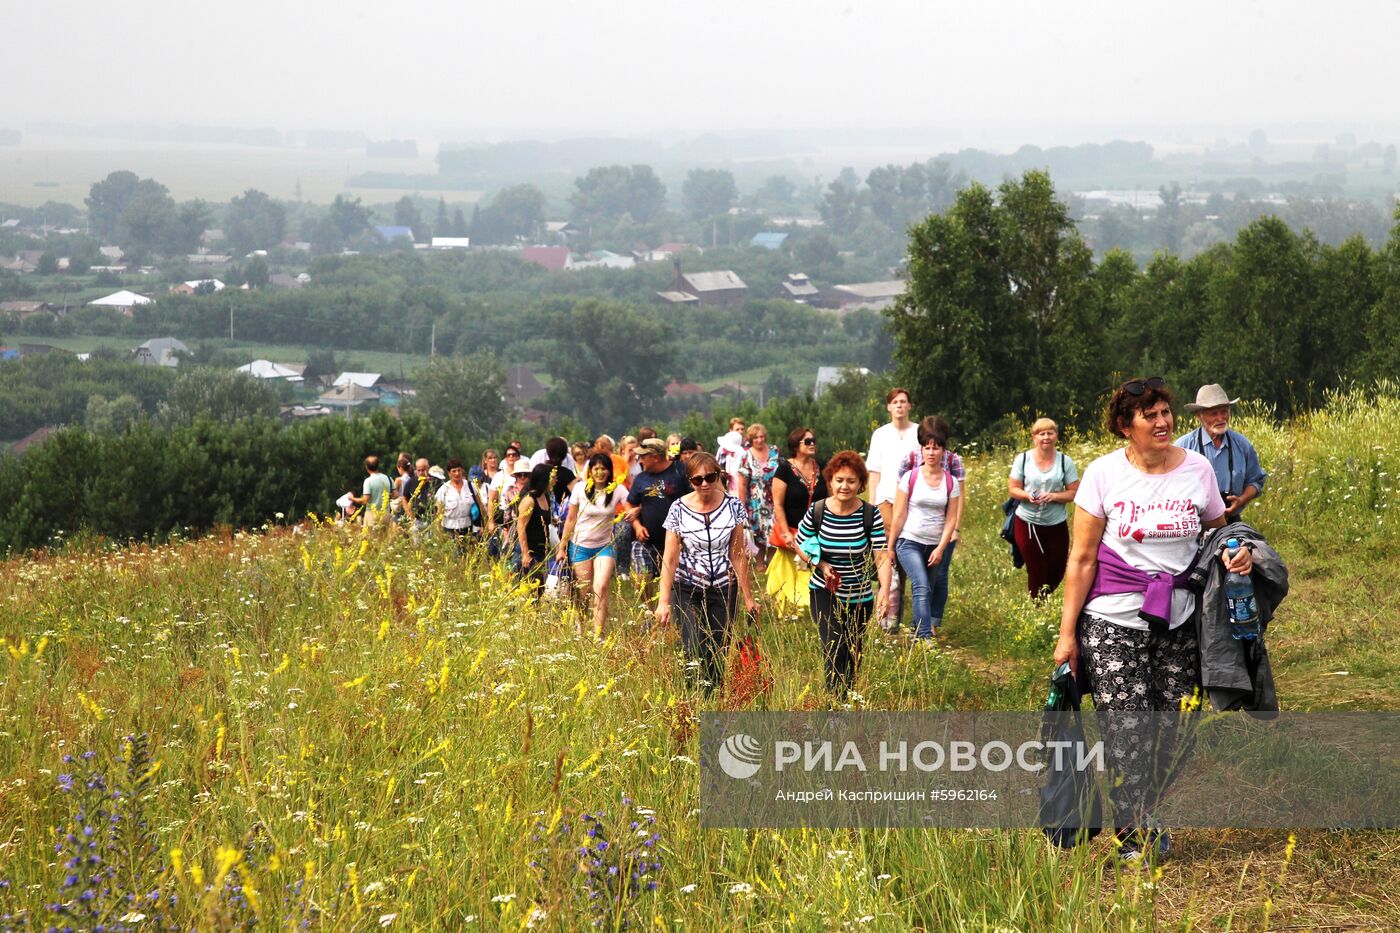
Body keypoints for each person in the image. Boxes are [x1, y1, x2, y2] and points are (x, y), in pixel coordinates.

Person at [1053, 376, 1254, 861]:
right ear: (1127, 426)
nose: (1163, 422)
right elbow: (1081, 560)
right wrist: (1066, 635)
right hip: (1112, 617)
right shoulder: (1103, 475)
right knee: (1127, 727)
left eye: (1165, 412)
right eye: (1151, 415)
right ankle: (1133, 831)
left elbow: (1217, 535)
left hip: (1182, 618)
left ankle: (1147, 807)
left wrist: (1236, 553)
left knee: (1174, 730)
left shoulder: (1199, 470)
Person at [654, 452, 759, 693]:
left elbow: (738, 553)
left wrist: (748, 598)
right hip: (687, 585)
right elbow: (670, 558)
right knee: (692, 645)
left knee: (718, 647)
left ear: (718, 476)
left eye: (710, 477)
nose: (704, 484)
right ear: (690, 480)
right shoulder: (678, 509)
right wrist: (664, 601)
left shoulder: (733, 506)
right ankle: (691, 698)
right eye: (697, 479)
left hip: (724, 586)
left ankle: (712, 698)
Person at [796, 450, 891, 697]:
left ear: (860, 484)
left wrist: (884, 591)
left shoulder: (870, 514)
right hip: (824, 590)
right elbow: (801, 542)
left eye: (851, 481)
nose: (844, 486)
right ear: (831, 481)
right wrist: (820, 564)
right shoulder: (818, 510)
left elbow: (881, 556)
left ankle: (847, 697)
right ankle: (834, 702)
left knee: (853, 651)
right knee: (834, 642)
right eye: (839, 480)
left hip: (859, 595)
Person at [887, 421, 963, 640]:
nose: (931, 452)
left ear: (943, 450)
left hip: (935, 544)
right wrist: (890, 547)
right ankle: (924, 636)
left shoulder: (951, 482)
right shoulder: (910, 478)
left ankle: (915, 631)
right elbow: (899, 514)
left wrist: (941, 548)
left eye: (936, 447)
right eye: (927, 447)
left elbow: (951, 519)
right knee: (921, 585)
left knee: (928, 589)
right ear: (921, 449)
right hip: (909, 541)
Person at [556, 454, 628, 637]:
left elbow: (632, 505)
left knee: (601, 587)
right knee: (584, 591)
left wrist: (636, 515)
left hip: (604, 545)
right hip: (580, 546)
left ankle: (598, 634)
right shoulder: (580, 488)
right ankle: (581, 624)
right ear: (590, 471)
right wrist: (562, 546)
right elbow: (570, 519)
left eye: (603, 468)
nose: (600, 472)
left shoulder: (618, 490)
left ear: (610, 471)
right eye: (595, 468)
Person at [865, 387, 920, 631]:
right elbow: (874, 471)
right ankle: (886, 616)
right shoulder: (880, 434)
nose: (899, 406)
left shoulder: (918, 432)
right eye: (894, 402)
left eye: (903, 402)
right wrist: (873, 504)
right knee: (888, 557)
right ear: (888, 407)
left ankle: (902, 613)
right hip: (886, 500)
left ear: (909, 406)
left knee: (908, 555)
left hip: (913, 501)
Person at [1007, 418, 1081, 598]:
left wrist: (1054, 496)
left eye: (1050, 433)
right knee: (1037, 567)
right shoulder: (1023, 459)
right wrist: (1027, 496)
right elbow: (1013, 489)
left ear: (1056, 436)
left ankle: (1044, 599)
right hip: (1027, 522)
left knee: (1057, 569)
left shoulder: (1065, 461)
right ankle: (1038, 608)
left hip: (1056, 523)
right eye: (1041, 433)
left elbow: (1075, 493)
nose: (1046, 437)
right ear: (1034, 437)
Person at [1174, 384, 1267, 523]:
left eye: (1224, 411)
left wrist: (1241, 500)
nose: (1220, 418)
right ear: (1199, 415)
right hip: (1193, 524)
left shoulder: (1242, 445)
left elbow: (1256, 480)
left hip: (1231, 520)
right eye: (1213, 413)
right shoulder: (1183, 448)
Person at [627, 438, 692, 604]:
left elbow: (694, 497)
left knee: (674, 582)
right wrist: (637, 525)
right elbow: (630, 502)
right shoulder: (641, 478)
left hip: (678, 539)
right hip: (647, 539)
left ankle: (670, 615)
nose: (639, 460)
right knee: (641, 577)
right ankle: (649, 614)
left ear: (655, 457)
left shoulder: (680, 471)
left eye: (643, 457)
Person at [768, 427, 827, 609]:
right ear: (795, 445)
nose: (812, 444)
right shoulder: (784, 469)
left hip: (817, 533)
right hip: (792, 532)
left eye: (813, 440)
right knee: (789, 577)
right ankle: (790, 614)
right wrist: (786, 533)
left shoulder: (822, 467)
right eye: (807, 441)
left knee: (813, 573)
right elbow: (777, 504)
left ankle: (814, 606)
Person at [735, 423, 780, 572]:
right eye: (756, 438)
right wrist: (742, 504)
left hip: (774, 498)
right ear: (751, 439)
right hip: (755, 500)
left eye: (761, 437)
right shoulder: (746, 455)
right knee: (758, 531)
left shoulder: (775, 451)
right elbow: (741, 483)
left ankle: (772, 562)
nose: (759, 440)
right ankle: (760, 563)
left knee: (774, 531)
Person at [515, 464, 555, 592]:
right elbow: (520, 527)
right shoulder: (529, 500)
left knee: (539, 589)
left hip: (541, 549)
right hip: (529, 550)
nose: (555, 480)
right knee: (527, 588)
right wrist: (525, 553)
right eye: (553, 477)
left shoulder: (545, 496)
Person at [434, 458, 481, 552]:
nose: (457, 473)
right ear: (449, 473)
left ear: (462, 471)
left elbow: (480, 506)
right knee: (454, 557)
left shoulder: (470, 486)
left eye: (459, 470)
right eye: (454, 471)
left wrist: (483, 524)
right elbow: (438, 513)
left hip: (468, 528)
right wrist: (438, 533)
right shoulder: (444, 490)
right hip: (449, 529)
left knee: (469, 557)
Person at [350, 455, 393, 531]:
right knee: (384, 540)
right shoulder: (388, 478)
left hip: (372, 515)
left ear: (367, 467)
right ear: (378, 466)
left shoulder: (368, 481)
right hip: (386, 514)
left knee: (371, 540)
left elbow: (365, 500)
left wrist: (352, 499)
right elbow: (395, 494)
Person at [403, 457, 438, 540]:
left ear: (428, 469)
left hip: (431, 519)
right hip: (416, 519)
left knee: (430, 544)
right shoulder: (411, 482)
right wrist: (409, 514)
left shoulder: (434, 482)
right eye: (418, 470)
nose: (421, 472)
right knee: (416, 546)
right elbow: (404, 498)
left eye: (423, 470)